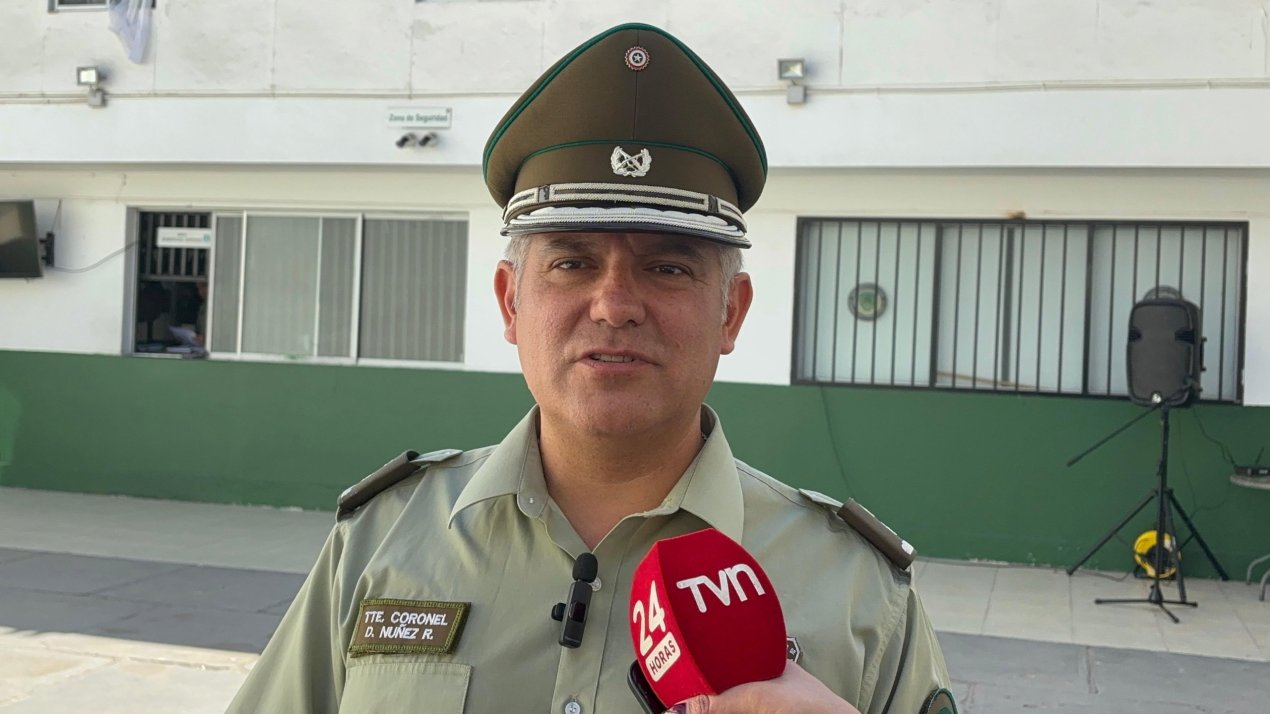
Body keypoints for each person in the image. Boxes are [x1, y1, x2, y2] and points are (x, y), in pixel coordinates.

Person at [227, 23, 953, 714]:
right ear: (511, 303)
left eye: (667, 267)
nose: (614, 305)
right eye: (572, 262)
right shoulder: (380, 542)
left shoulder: (858, 593)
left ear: (730, 313)